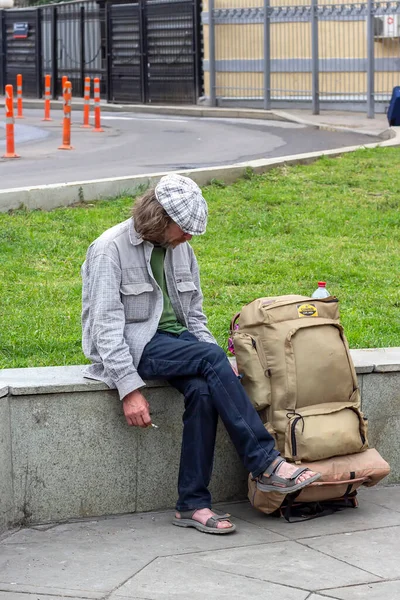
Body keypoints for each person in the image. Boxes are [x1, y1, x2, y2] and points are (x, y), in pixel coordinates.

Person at [81, 173, 320, 535]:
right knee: (211, 360)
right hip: (135, 347)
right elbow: (105, 327)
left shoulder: (181, 249)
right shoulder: (109, 249)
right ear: (160, 219)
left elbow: (194, 315)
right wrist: (128, 389)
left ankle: (192, 504)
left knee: (206, 387)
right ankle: (266, 463)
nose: (190, 237)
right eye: (185, 229)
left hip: (177, 346)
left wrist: (221, 373)